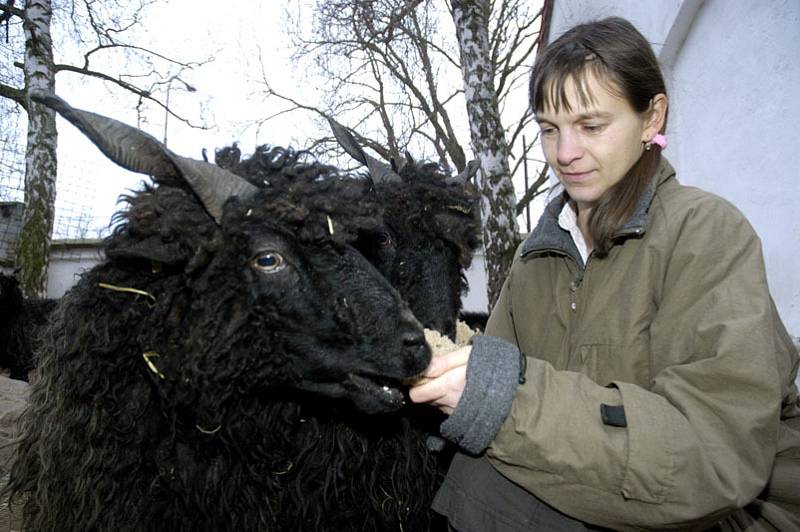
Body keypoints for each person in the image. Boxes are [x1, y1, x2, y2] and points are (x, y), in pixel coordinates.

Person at [410, 16, 800, 531]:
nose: (564, 154)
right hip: (601, 487)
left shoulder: (706, 232)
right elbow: (500, 386)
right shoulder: (535, 257)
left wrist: (504, 400)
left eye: (591, 126)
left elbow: (714, 460)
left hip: (730, 510)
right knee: (469, 478)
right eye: (549, 129)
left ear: (651, 118)